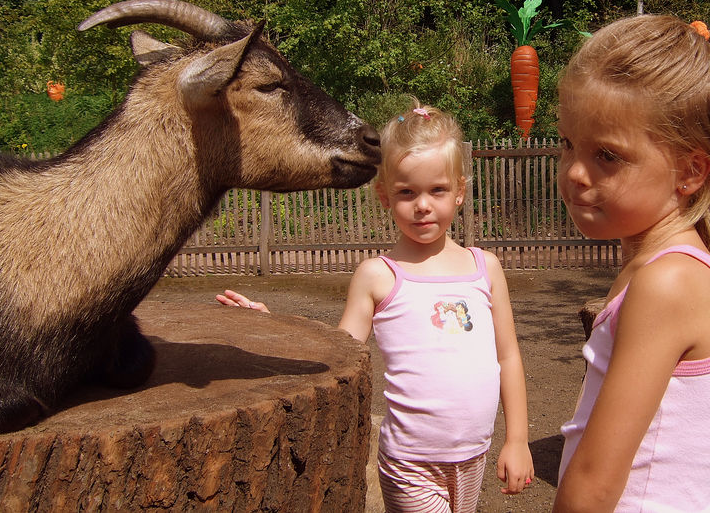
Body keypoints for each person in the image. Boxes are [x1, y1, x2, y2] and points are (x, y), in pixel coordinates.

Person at [218, 102, 534, 512]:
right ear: (385, 195)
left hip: (474, 455)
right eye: (407, 192)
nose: (423, 205)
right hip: (409, 463)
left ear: (459, 191)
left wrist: (517, 440)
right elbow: (339, 351)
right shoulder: (377, 275)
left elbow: (508, 357)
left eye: (437, 190)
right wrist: (271, 326)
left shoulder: (484, 268)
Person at [552, 16, 710, 512]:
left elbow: (594, 486)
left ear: (689, 171)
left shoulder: (669, 283)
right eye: (568, 144)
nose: (575, 172)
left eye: (607, 156)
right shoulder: (664, 269)